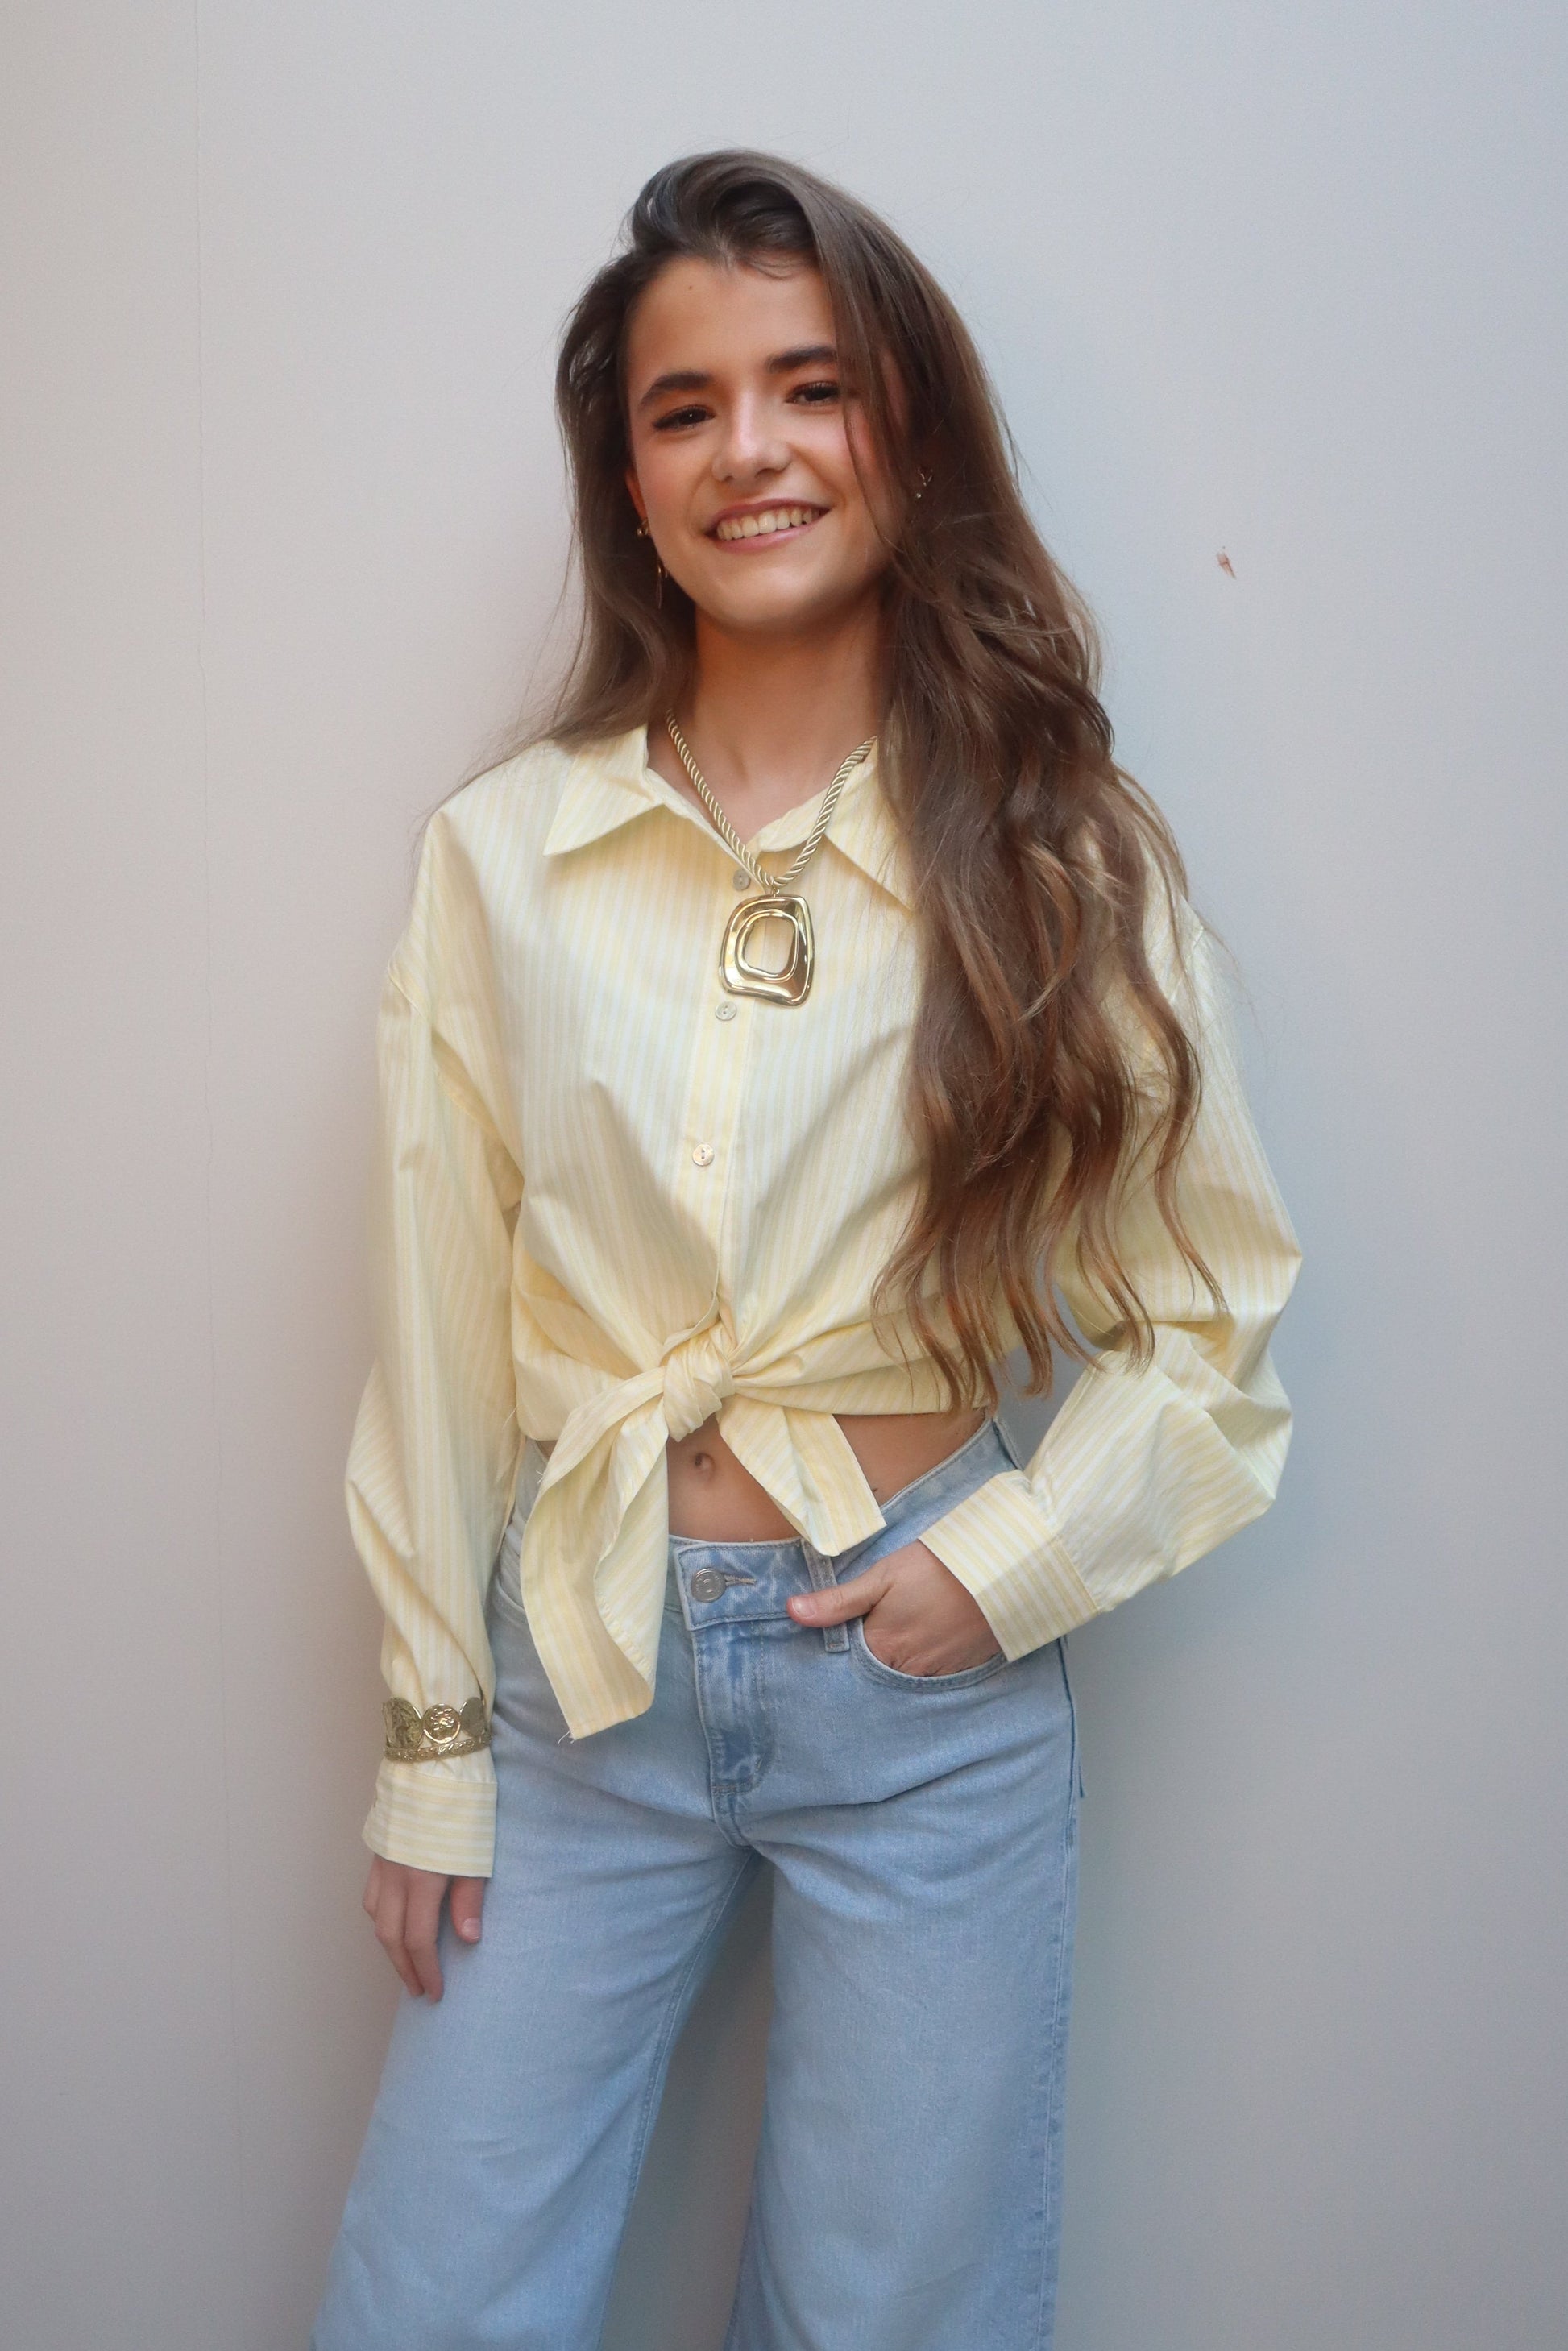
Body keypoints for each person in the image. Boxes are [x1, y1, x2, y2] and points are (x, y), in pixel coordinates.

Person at [312, 149, 1300, 2351]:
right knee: (432, 2303)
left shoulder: (1057, 854)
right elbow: (436, 1328)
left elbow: (1211, 1304)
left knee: (890, 2318)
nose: (748, 449)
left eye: (810, 386)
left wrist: (1004, 1566)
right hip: (583, 1663)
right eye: (685, 409)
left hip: (922, 1679)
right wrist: (432, 1739)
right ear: (631, 485)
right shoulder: (503, 856)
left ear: (902, 428)